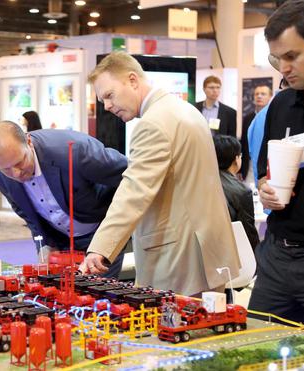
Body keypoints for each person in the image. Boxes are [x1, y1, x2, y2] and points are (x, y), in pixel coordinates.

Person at [80, 51, 240, 296]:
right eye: (102, 101)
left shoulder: (152, 124)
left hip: (178, 259)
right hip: (207, 251)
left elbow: (134, 191)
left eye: (109, 95)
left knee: (177, 329)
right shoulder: (185, 110)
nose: (107, 106)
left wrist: (101, 248)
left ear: (133, 80)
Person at [249, 0, 304, 334]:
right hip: (276, 256)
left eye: (292, 56)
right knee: (255, 348)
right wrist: (266, 188)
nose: (284, 67)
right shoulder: (281, 105)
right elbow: (268, 172)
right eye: (277, 59)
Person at [0, 121, 128, 278]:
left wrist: (114, 228)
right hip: (58, 240)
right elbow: (23, 209)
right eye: (6, 169)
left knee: (102, 296)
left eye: (20, 162)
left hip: (99, 232)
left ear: (29, 142)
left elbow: (129, 175)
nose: (16, 173)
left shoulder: (75, 151)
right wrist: (45, 243)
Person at [213, 135, 260, 250]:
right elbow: (248, 232)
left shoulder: (203, 180)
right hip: (231, 249)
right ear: (236, 159)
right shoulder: (242, 191)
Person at [240, 84, 273, 180]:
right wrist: (241, 169)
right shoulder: (248, 118)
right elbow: (243, 143)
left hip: (268, 164)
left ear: (270, 97)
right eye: (257, 94)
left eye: (263, 94)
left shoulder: (273, 117)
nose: (259, 96)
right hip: (249, 165)